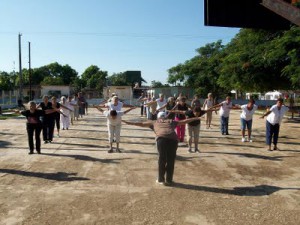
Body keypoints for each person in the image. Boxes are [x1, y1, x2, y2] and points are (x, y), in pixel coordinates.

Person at [122, 111, 202, 186]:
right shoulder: (171, 121)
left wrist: (128, 122)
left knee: (162, 159)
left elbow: (141, 123)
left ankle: (161, 180)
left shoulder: (154, 122)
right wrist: (196, 118)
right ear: (165, 117)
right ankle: (169, 180)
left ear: (158, 117)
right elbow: (184, 121)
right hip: (173, 139)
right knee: (171, 160)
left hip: (162, 139)